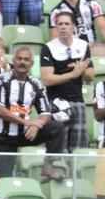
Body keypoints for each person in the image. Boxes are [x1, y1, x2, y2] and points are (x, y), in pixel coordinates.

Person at [0, 47, 66, 180]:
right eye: (19, 59)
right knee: (4, 179)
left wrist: (37, 125)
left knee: (57, 128)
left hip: (26, 134)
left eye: (26, 59)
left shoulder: (36, 84)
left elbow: (46, 112)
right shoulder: (1, 80)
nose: (22, 62)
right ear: (13, 61)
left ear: (32, 64)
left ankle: (48, 166)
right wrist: (27, 122)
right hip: (4, 136)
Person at [40, 11, 95, 154]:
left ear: (73, 27)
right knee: (59, 148)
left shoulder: (83, 46)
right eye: (60, 24)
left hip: (78, 101)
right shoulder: (48, 48)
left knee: (79, 149)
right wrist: (73, 74)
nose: (63, 27)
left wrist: (81, 71)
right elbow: (47, 79)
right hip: (56, 104)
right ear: (56, 28)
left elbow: (90, 76)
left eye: (66, 24)